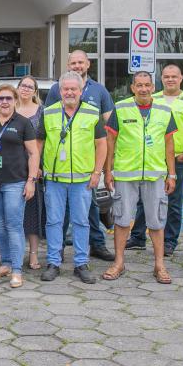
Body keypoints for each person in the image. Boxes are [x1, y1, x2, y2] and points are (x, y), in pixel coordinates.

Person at [103, 71, 177, 284]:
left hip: (155, 174)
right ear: (132, 88)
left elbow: (169, 143)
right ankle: (119, 262)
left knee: (156, 221)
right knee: (122, 218)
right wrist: (108, 171)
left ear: (153, 87)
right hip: (126, 174)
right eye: (139, 85)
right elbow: (110, 140)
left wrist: (171, 174)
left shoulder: (164, 110)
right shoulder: (120, 108)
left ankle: (159, 265)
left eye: (147, 85)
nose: (143, 89)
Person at [44, 50, 116, 262]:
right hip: (58, 173)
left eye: (80, 62)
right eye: (73, 63)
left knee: (88, 212)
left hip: (85, 170)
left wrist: (101, 169)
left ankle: (94, 247)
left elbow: (108, 132)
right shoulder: (55, 94)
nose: (77, 65)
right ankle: (57, 256)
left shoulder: (99, 91)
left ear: (88, 65)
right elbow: (49, 131)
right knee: (58, 218)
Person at [127, 64, 183, 256]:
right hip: (152, 159)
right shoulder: (153, 99)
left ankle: (169, 242)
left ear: (181, 78)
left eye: (174, 77)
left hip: (177, 159)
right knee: (144, 201)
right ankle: (138, 237)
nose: (170, 80)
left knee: (174, 203)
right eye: (166, 76)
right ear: (160, 80)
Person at [39, 71, 106, 284]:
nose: (69, 92)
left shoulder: (93, 112)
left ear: (81, 91)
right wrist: (36, 170)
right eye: (65, 89)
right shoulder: (48, 112)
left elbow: (101, 144)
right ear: (60, 92)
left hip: (82, 180)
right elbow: (39, 143)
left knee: (81, 222)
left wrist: (97, 172)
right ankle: (53, 263)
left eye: (73, 89)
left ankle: (80, 263)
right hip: (55, 179)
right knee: (54, 222)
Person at [0, 84, 40, 288]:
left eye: (9, 98)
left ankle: (16, 270)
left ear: (15, 100)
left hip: (16, 182)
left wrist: (31, 180)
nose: (4, 102)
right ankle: (5, 263)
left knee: (14, 225)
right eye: (1, 98)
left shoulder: (23, 124)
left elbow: (33, 153)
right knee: (0, 224)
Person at [16, 75, 45, 271]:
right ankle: (12, 253)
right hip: (10, 167)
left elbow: (41, 141)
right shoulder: (8, 107)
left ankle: (33, 254)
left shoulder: (41, 111)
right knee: (12, 214)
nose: (25, 89)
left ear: (35, 91)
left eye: (30, 86)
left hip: (33, 168)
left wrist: (36, 167)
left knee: (33, 213)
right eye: (22, 86)